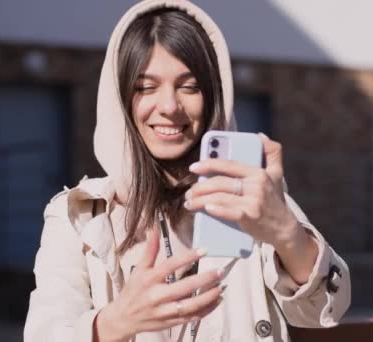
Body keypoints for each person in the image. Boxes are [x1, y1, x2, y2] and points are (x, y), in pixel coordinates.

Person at [23, 0, 350, 341]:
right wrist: (116, 321)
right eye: (146, 87)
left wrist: (285, 230)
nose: (169, 107)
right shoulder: (79, 216)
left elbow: (325, 309)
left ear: (213, 96)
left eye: (189, 87)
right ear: (119, 98)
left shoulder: (249, 195)